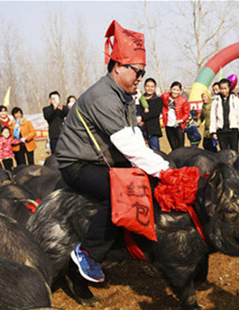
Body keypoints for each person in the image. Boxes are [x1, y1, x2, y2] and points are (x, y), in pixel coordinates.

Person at [56, 20, 173, 283]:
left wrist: (159, 167)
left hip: (105, 158)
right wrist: (167, 171)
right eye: (137, 72)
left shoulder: (125, 96)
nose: (140, 79)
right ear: (119, 66)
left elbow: (134, 137)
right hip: (78, 163)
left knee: (147, 178)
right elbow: (130, 146)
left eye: (143, 73)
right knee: (121, 193)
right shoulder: (103, 97)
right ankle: (88, 252)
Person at [210, 78, 239, 151]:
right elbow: (213, 117)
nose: (223, 91)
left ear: (229, 88)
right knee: (223, 152)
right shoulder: (216, 101)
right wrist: (213, 131)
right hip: (221, 131)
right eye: (221, 89)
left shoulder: (235, 99)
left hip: (233, 130)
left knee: (234, 151)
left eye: (225, 88)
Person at [161, 81, 190, 150]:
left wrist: (181, 120)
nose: (175, 92)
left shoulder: (183, 100)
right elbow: (159, 103)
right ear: (170, 89)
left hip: (179, 125)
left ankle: (182, 160)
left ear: (180, 91)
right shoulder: (165, 96)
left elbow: (187, 113)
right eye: (174, 89)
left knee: (181, 147)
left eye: (177, 90)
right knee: (173, 147)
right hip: (168, 125)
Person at [140, 78, 163, 151]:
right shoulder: (139, 99)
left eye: (152, 87)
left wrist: (141, 117)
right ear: (144, 87)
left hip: (153, 130)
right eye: (148, 86)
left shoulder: (158, 100)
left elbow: (155, 113)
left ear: (155, 88)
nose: (150, 88)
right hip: (140, 130)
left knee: (155, 151)